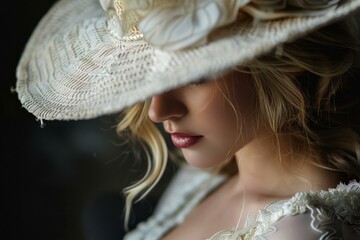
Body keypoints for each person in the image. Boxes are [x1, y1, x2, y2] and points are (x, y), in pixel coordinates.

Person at [15, 0, 360, 239]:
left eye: (196, 74)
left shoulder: (299, 231)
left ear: (281, 63)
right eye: (157, 75)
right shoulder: (203, 176)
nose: (157, 110)